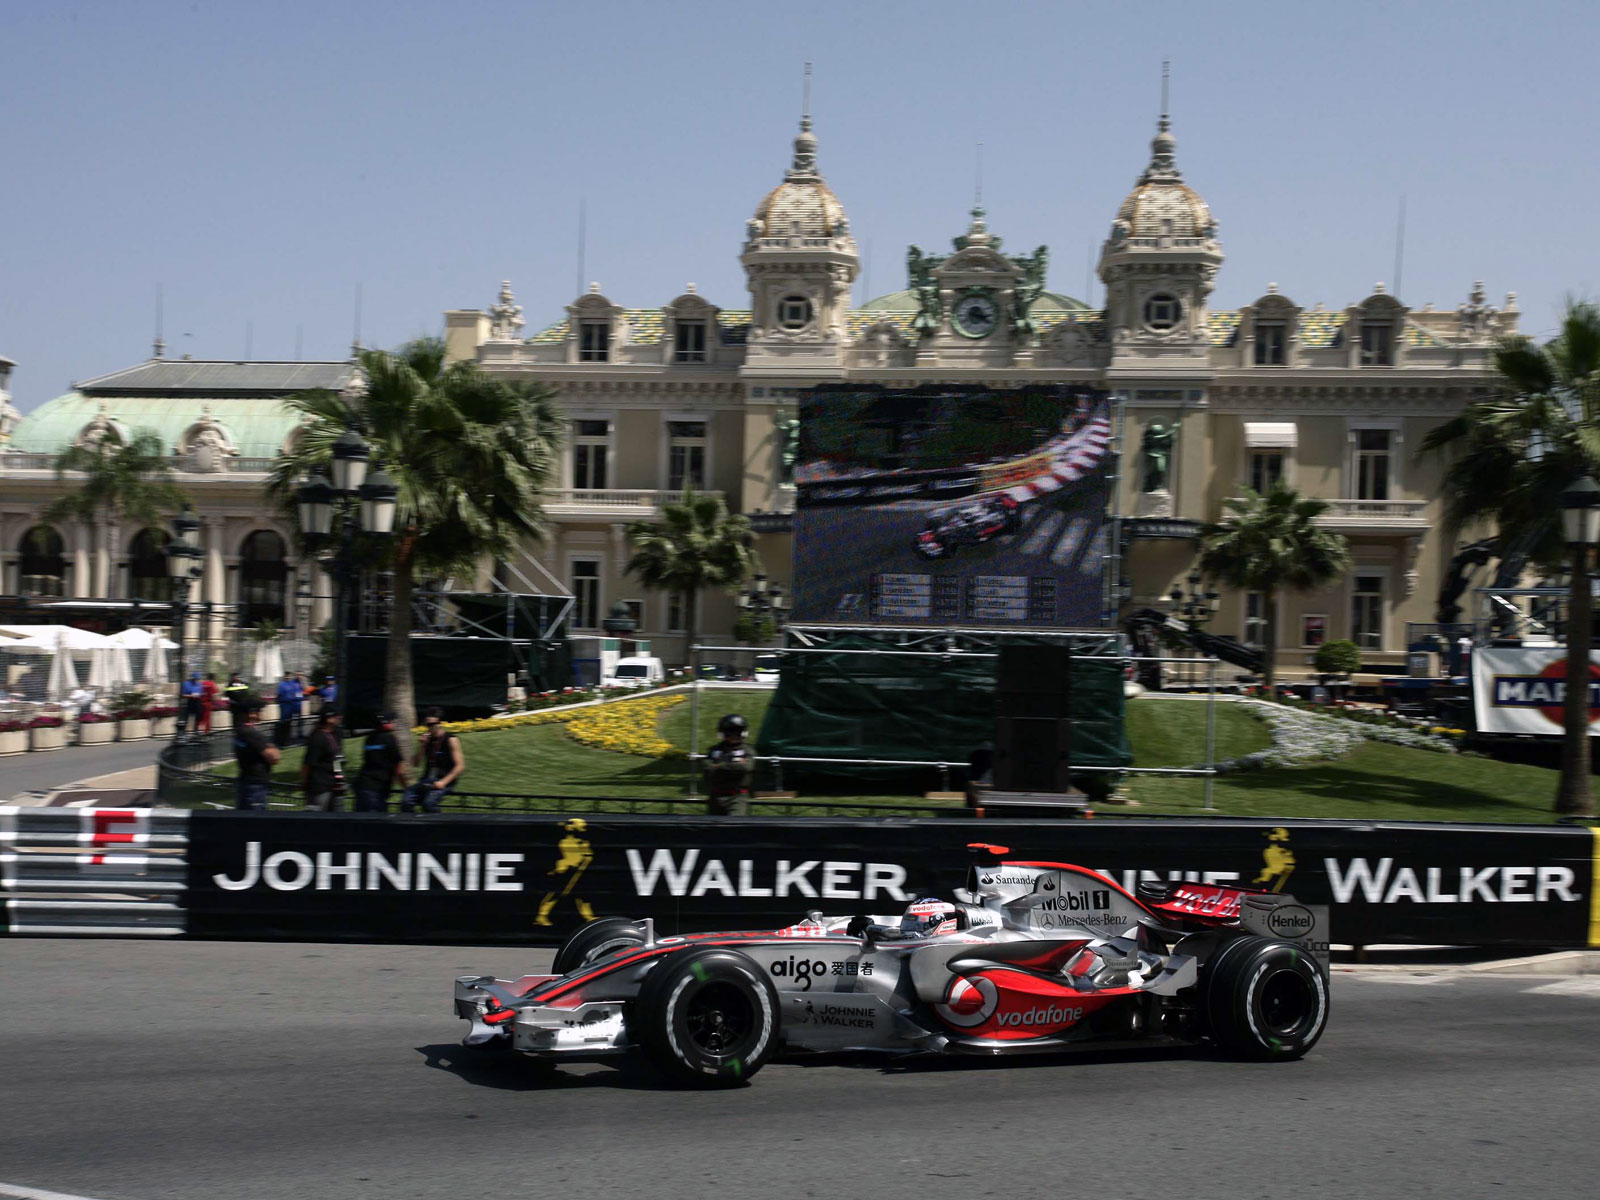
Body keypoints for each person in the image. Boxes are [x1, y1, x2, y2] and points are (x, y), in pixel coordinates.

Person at [404, 707, 463, 813]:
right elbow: (415, 763)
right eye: (427, 725)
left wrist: (443, 782)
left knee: (429, 804)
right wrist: (421, 746)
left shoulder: (451, 739)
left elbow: (460, 766)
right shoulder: (427, 740)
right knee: (406, 801)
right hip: (427, 779)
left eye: (432, 725)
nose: (429, 728)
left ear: (440, 723)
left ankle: (439, 825)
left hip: (444, 779)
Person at [232, 699, 280, 812]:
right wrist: (272, 748)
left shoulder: (240, 731)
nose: (260, 713)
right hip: (256, 785)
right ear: (251, 714)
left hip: (246, 780)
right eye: (259, 711)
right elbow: (274, 758)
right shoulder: (252, 734)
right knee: (256, 821)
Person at [354, 712, 407, 812]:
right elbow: (398, 767)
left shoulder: (369, 738)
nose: (394, 724)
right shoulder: (389, 738)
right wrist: (406, 787)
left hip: (362, 784)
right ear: (386, 723)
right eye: (392, 721)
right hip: (377, 789)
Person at [703, 713, 753, 816]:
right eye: (730, 732)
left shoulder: (747, 750)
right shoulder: (714, 750)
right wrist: (733, 766)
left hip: (737, 797)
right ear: (723, 733)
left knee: (734, 825)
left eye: (738, 732)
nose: (734, 736)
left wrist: (719, 766)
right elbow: (708, 769)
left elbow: (745, 767)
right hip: (716, 797)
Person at [300, 710, 343, 811]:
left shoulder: (336, 734)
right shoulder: (317, 738)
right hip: (320, 787)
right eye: (336, 715)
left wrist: (339, 779)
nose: (339, 717)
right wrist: (304, 782)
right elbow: (308, 763)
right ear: (328, 719)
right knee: (318, 818)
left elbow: (336, 760)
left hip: (334, 786)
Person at [274, 671, 304, 747]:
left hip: (291, 705)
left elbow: (296, 693)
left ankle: (288, 739)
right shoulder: (281, 685)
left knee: (288, 723)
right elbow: (278, 695)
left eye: (289, 676)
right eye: (287, 676)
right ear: (284, 676)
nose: (288, 677)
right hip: (284, 705)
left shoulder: (292, 684)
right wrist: (279, 704)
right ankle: (281, 740)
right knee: (284, 723)